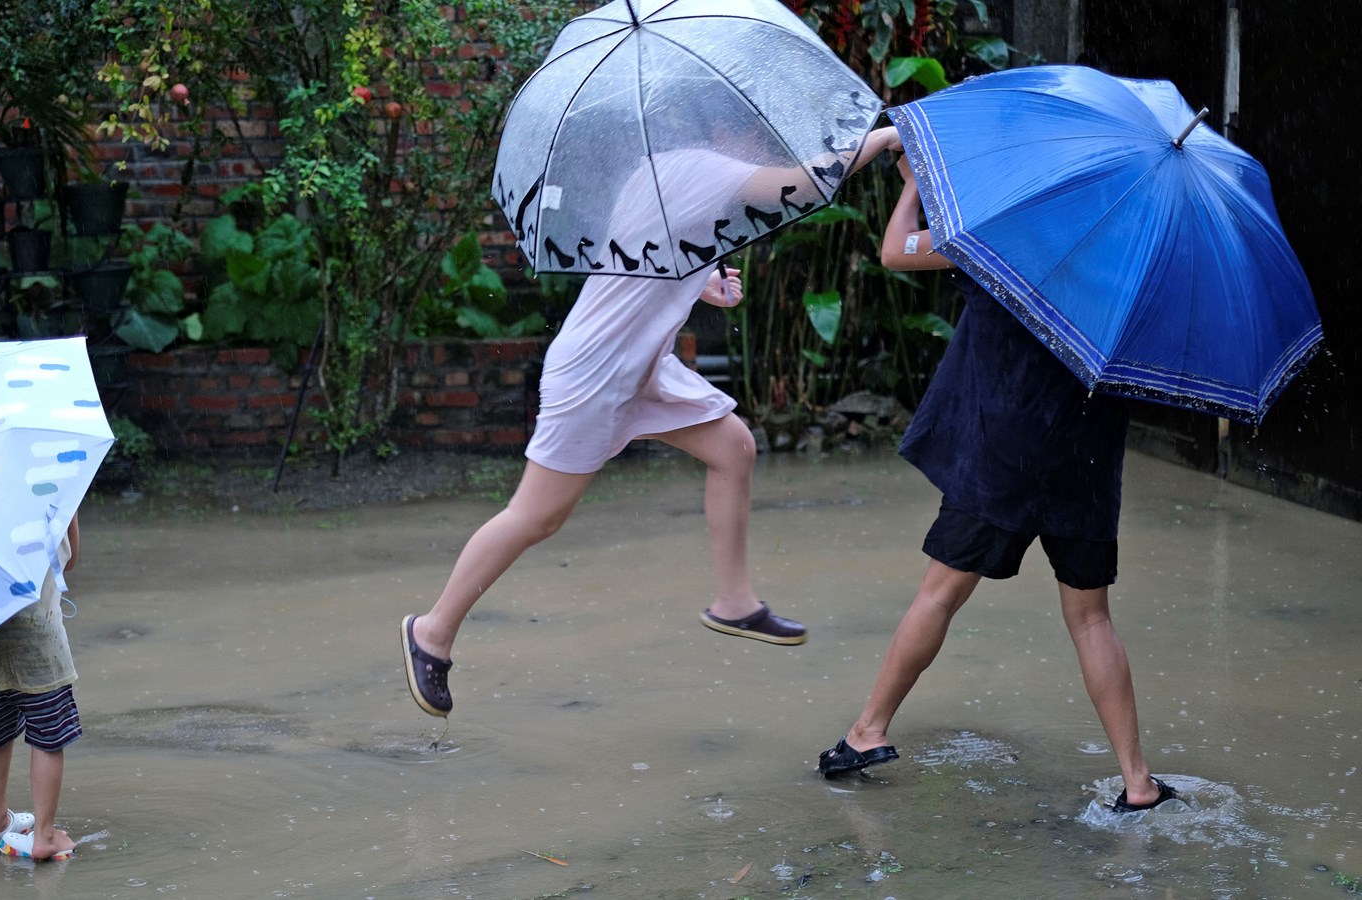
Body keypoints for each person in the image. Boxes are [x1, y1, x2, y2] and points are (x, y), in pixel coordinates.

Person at [401, 126, 905, 718]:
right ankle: (431, 632)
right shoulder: (708, 169)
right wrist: (887, 137)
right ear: (724, 128)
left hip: (639, 364)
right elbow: (804, 183)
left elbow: (642, 252)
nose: (766, 145)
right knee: (536, 516)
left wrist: (703, 282)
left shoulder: (663, 167)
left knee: (734, 448)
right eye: (758, 136)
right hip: (596, 371)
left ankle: (735, 602)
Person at [816, 150, 1177, 813]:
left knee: (938, 597)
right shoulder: (1127, 264)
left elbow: (895, 252)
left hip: (1002, 456)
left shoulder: (998, 240)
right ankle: (1137, 782)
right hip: (1085, 463)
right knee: (1092, 619)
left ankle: (867, 732)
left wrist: (915, 187)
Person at [0, 513, 83, 859]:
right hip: (37, 640)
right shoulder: (47, 495)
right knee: (48, 736)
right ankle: (44, 836)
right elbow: (69, 559)